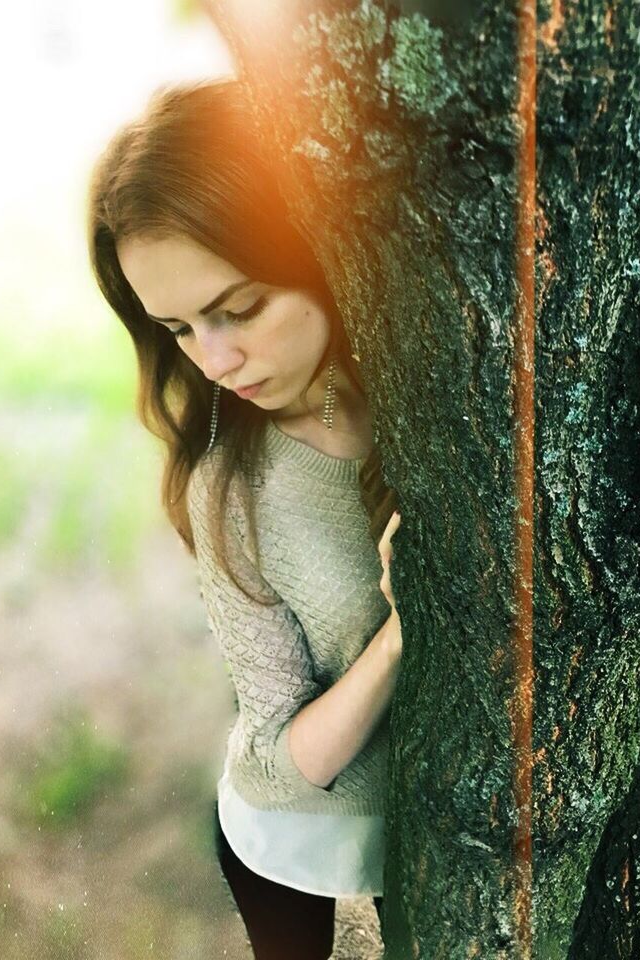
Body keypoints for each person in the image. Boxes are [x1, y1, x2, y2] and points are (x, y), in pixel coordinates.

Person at [86, 76, 403, 960]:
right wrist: (401, 629)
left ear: (319, 247)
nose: (215, 359)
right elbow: (271, 760)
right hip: (288, 846)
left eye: (240, 308)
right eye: (180, 328)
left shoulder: (437, 391)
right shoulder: (229, 488)